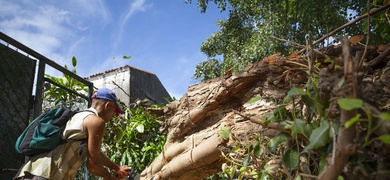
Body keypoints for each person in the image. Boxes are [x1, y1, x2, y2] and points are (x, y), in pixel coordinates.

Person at [14, 88, 131, 180]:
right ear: (108, 105)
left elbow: (96, 153)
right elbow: (92, 165)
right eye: (114, 111)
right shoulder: (96, 122)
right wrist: (108, 176)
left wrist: (117, 168)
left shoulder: (78, 117)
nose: (113, 115)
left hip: (29, 173)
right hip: (46, 176)